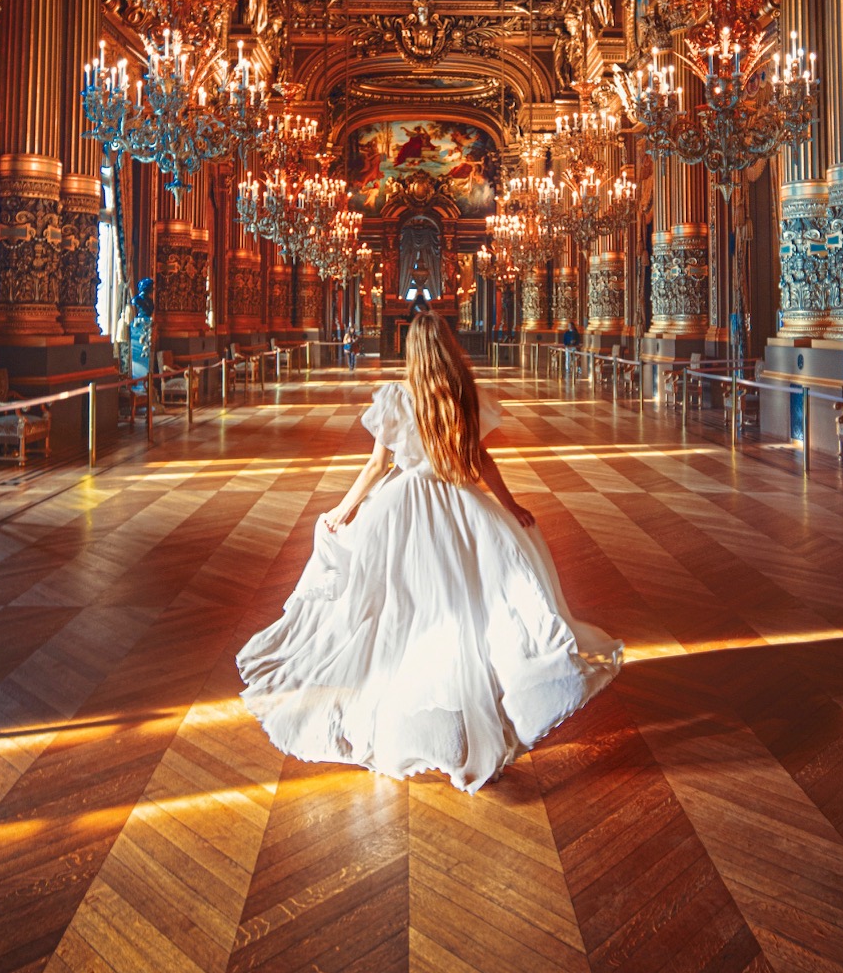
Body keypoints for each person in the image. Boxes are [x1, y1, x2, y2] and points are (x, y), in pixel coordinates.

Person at [237, 312, 620, 793]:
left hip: (404, 507)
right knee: (466, 608)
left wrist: (344, 509)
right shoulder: (463, 392)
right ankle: (474, 698)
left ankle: (410, 699)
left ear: (410, 349)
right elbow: (481, 459)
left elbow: (378, 467)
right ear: (449, 345)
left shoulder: (398, 397)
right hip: (461, 506)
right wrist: (510, 505)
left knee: (401, 609)